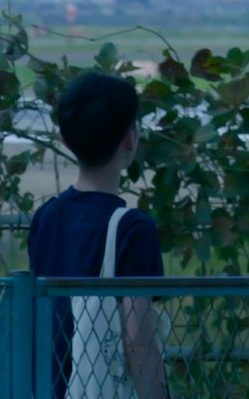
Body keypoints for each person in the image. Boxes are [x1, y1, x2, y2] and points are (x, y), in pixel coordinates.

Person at [28, 73, 168, 399]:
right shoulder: (133, 229)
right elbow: (139, 340)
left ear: (65, 140)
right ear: (130, 139)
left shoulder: (46, 217)